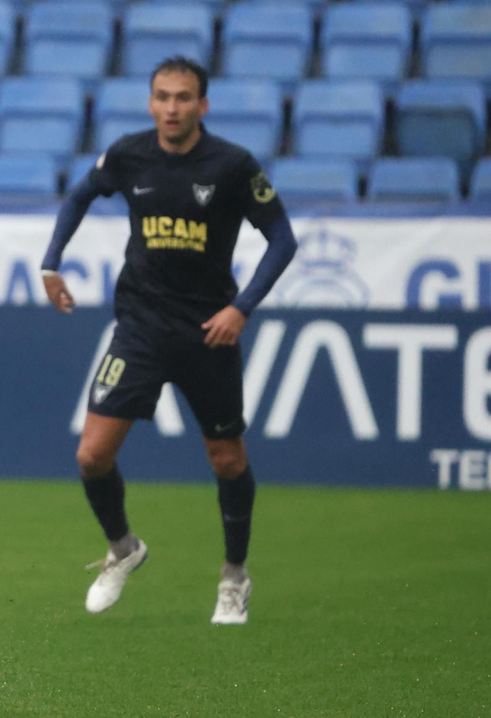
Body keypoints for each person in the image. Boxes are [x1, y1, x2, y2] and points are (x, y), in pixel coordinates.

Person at [39, 56, 299, 625]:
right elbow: (80, 194)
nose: (173, 107)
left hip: (210, 330)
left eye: (184, 97)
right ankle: (123, 548)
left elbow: (282, 239)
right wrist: (52, 262)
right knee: (91, 454)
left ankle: (234, 576)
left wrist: (241, 307)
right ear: (151, 102)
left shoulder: (231, 165)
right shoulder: (130, 154)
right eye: (163, 97)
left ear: (203, 105)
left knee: (227, 458)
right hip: (140, 327)